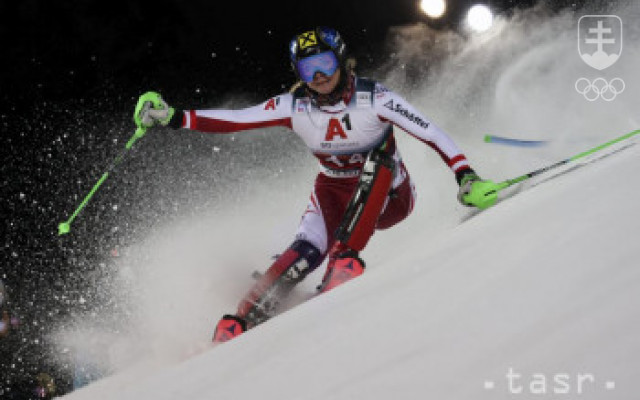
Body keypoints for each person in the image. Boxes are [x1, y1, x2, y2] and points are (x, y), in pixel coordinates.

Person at [135, 27, 497, 343]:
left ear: (341, 62)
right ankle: (243, 318)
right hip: (334, 191)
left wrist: (466, 176)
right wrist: (174, 117)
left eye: (325, 63)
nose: (319, 75)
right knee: (303, 250)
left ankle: (344, 260)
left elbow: (430, 132)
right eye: (309, 69)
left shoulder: (374, 98)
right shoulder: (295, 107)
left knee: (376, 162)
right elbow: (236, 120)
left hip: (390, 197)